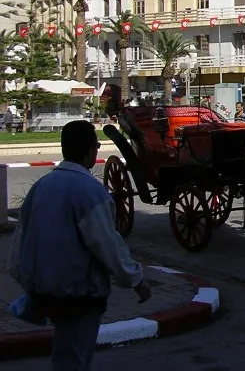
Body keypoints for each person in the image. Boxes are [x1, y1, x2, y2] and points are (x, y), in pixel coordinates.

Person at [8, 120, 151, 371]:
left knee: (66, 355)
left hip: (48, 289)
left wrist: (28, 281)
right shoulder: (89, 191)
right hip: (80, 292)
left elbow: (21, 240)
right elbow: (107, 244)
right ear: (89, 151)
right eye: (95, 146)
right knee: (73, 358)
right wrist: (136, 280)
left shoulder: (42, 187)